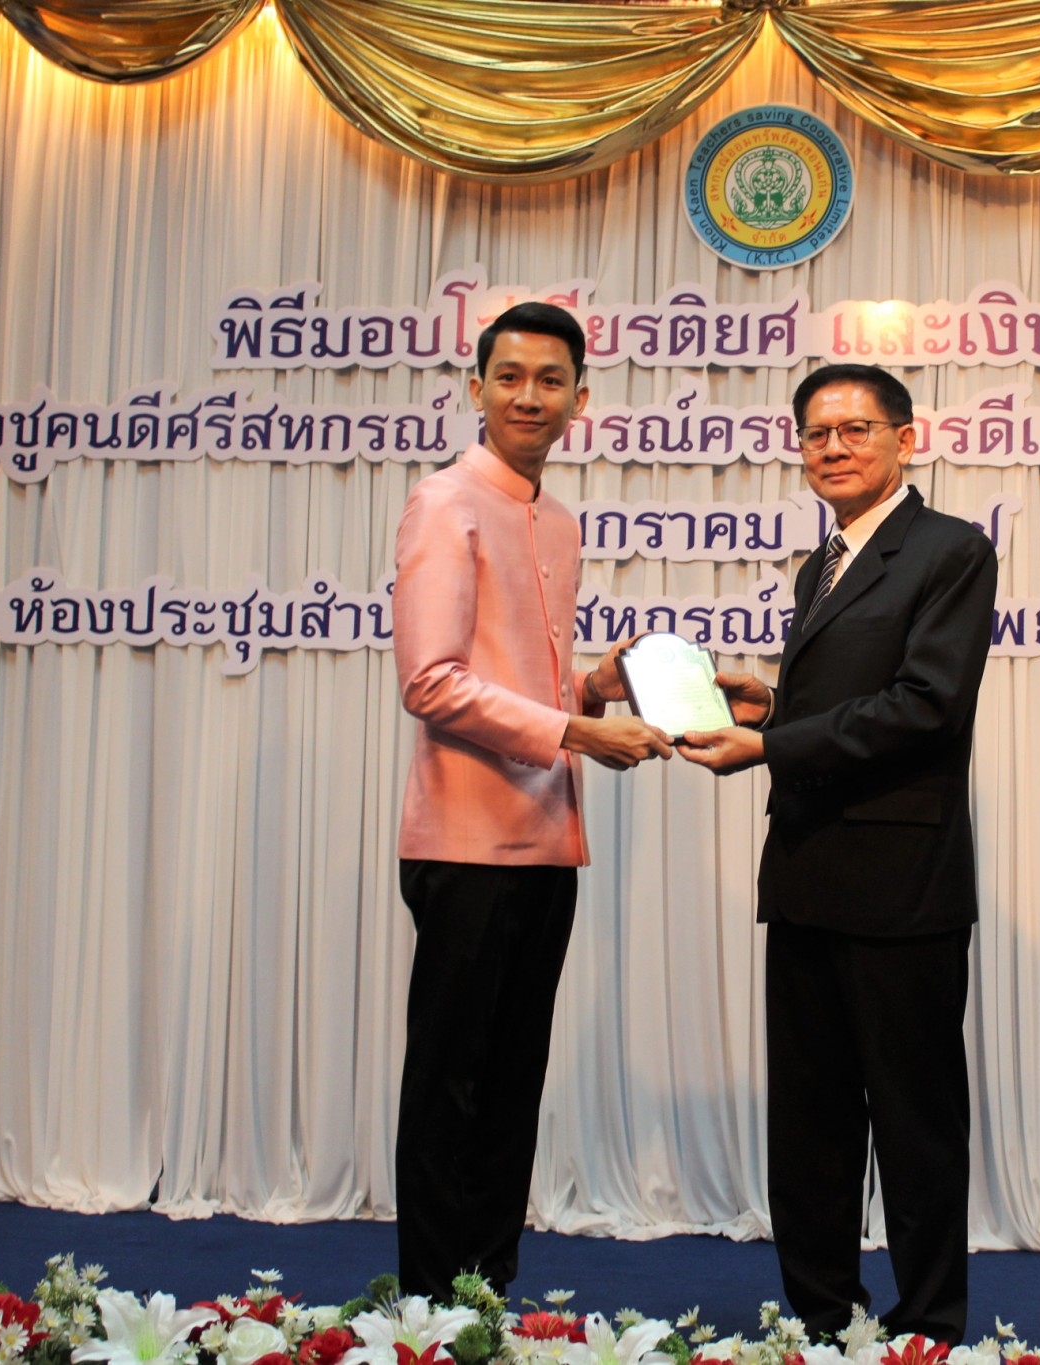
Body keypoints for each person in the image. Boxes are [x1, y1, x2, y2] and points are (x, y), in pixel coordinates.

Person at [679, 363, 997, 1344]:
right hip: (806, 871)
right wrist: (770, 708)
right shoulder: (819, 564)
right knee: (808, 1120)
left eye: (855, 429)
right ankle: (822, 1319)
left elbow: (924, 705)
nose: (833, 448)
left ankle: (928, 1324)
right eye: (816, 433)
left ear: (906, 438)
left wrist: (771, 745)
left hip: (902, 885)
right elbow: (850, 705)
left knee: (914, 1121)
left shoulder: (949, 549)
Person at [392, 300, 673, 1299]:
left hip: (548, 842)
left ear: (578, 401)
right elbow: (431, 681)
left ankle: (485, 1298)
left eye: (550, 380)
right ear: (476, 389)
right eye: (508, 377)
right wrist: (578, 733)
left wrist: (593, 689)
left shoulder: (557, 520)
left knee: (513, 1087)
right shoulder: (444, 502)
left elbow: (521, 677)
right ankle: (428, 1313)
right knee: (452, 1088)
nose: (528, 396)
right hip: (465, 842)